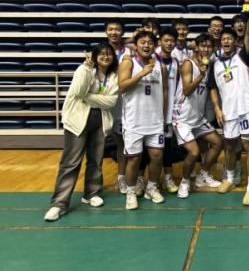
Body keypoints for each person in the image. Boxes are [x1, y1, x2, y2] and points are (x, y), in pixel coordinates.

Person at [44, 43, 119, 221]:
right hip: (77, 120)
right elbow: (78, 91)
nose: (106, 56)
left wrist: (88, 97)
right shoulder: (83, 70)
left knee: (96, 160)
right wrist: (87, 70)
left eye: (109, 54)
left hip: (99, 121)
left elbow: (111, 102)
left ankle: (91, 193)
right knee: (71, 162)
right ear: (95, 56)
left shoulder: (114, 76)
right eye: (102, 53)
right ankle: (59, 203)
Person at [208, 10, 249, 206]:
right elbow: (212, 88)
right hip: (228, 112)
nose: (226, 41)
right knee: (229, 146)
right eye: (223, 39)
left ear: (234, 41)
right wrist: (217, 109)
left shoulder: (243, 55)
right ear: (220, 42)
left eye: (229, 38)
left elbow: (248, 33)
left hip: (245, 108)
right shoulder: (216, 63)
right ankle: (229, 179)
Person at [119, 30, 168, 210]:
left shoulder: (161, 66)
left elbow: (164, 91)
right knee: (134, 159)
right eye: (143, 42)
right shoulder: (128, 62)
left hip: (155, 120)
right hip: (134, 121)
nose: (146, 45)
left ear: (155, 46)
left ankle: (152, 188)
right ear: (136, 45)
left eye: (150, 43)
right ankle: (131, 192)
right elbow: (122, 86)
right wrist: (141, 73)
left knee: (157, 156)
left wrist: (163, 115)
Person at [173, 33, 223, 198]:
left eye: (209, 46)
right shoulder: (189, 64)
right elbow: (187, 90)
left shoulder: (209, 65)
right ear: (197, 47)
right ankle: (184, 182)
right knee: (194, 153)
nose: (206, 49)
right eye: (203, 46)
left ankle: (203, 175)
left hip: (198, 117)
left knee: (217, 143)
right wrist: (201, 75)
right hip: (182, 118)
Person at [104, 19, 132, 195]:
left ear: (122, 32)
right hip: (104, 102)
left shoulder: (129, 51)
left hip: (124, 104)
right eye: (110, 29)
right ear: (106, 32)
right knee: (98, 144)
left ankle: (121, 176)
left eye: (117, 29)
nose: (114, 32)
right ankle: (94, 180)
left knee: (122, 143)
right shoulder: (100, 51)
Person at [156, 27, 181, 194]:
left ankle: (167, 177)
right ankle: (146, 180)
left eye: (172, 41)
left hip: (170, 113)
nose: (169, 43)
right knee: (151, 149)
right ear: (160, 42)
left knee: (168, 147)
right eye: (166, 40)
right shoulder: (152, 60)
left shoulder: (176, 62)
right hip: (153, 112)